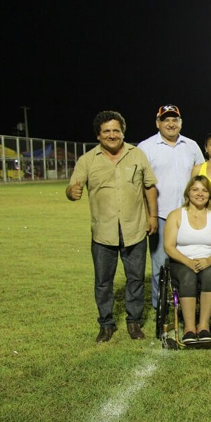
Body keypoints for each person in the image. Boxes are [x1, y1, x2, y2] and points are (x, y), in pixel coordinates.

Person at [66, 111, 158, 343]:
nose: (112, 135)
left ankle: (134, 322)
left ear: (122, 132)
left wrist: (153, 216)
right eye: (106, 131)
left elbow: (149, 187)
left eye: (116, 130)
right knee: (103, 282)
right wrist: (72, 192)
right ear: (98, 135)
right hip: (103, 233)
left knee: (135, 279)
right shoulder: (87, 160)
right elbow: (72, 188)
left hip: (135, 230)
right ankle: (106, 324)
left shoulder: (137, 155)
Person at [138, 105, 204, 313]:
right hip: (160, 215)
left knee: (188, 262)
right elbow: (141, 184)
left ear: (181, 123)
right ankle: (161, 308)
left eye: (174, 119)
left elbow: (199, 177)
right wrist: (149, 215)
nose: (170, 123)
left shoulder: (191, 146)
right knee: (160, 265)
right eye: (165, 119)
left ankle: (187, 305)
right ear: (158, 123)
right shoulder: (146, 147)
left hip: (188, 214)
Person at [163, 176, 211, 344]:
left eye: (204, 190)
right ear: (188, 192)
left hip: (209, 261)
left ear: (209, 195)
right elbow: (169, 246)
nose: (200, 194)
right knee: (188, 276)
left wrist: (209, 260)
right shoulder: (176, 215)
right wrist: (188, 262)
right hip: (182, 261)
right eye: (195, 190)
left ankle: (204, 325)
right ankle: (189, 328)